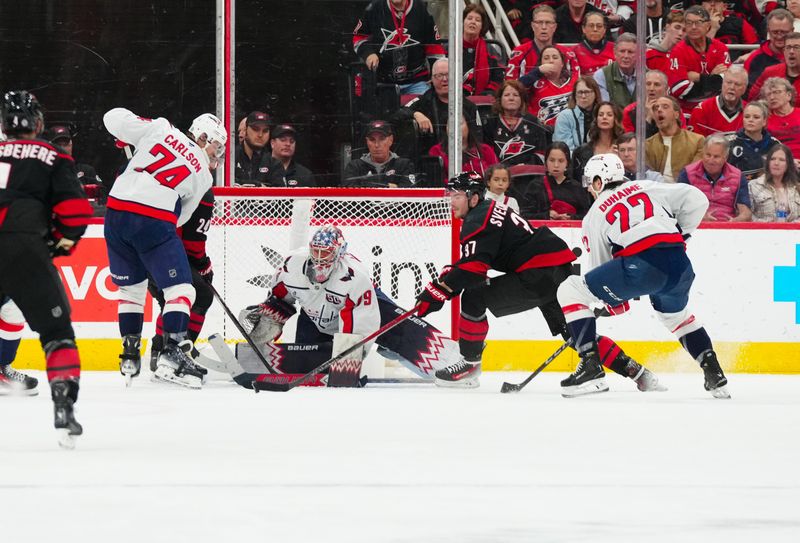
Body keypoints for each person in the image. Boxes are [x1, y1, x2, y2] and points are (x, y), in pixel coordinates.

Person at [414, 171, 664, 391]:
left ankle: (468, 366)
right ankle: (637, 372)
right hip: (554, 266)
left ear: (473, 197)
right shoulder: (487, 211)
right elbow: (474, 261)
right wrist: (446, 282)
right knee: (575, 333)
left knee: (474, 296)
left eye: (456, 195)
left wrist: (436, 293)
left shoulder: (477, 219)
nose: (451, 200)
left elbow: (474, 271)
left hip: (538, 273)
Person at [556, 153, 730, 399]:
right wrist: (683, 234)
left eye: (590, 184)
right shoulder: (647, 186)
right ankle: (715, 374)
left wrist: (612, 303)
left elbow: (600, 270)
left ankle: (591, 365)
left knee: (571, 289)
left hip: (641, 266)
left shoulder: (594, 214)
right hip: (679, 264)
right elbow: (698, 199)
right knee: (676, 317)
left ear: (598, 182)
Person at [233, 225, 463, 388]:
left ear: (340, 253)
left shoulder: (355, 277)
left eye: (327, 253)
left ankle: (456, 363)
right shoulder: (291, 265)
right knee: (307, 361)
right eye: (316, 251)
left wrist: (348, 363)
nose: (320, 258)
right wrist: (265, 322)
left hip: (363, 308)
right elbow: (279, 300)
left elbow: (358, 328)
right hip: (315, 317)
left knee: (399, 328)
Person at [103, 108, 227, 389]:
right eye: (216, 146)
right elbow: (181, 216)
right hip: (154, 219)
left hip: (115, 213)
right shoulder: (204, 176)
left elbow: (112, 117)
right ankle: (171, 354)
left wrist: (130, 133)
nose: (216, 154)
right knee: (182, 291)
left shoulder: (161, 127)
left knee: (131, 291)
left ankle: (129, 354)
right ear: (202, 136)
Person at [0, 90, 93, 445]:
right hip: (25, 247)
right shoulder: (51, 155)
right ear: (37, 123)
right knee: (57, 333)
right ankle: (63, 405)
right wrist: (58, 243)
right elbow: (76, 212)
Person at [146, 188, 215, 373]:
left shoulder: (166, 181)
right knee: (202, 295)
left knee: (170, 300)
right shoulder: (201, 190)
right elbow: (193, 243)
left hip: (137, 249)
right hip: (164, 253)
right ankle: (177, 355)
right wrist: (203, 265)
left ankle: (159, 351)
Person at [353, 0, 442, 95]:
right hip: (384, 82)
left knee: (421, 108)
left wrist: (437, 73)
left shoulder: (421, 8)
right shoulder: (374, 8)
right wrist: (368, 54)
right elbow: (358, 37)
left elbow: (434, 46)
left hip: (417, 82)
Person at [395, 58, 481, 154]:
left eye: (448, 75)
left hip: (461, 158)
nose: (444, 79)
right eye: (439, 75)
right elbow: (397, 114)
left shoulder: (469, 107)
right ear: (432, 79)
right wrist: (416, 114)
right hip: (430, 160)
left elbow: (478, 140)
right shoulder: (423, 102)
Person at [668, 5, 732, 117]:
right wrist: (711, 77)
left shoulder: (721, 48)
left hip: (715, 110)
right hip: (686, 113)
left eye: (698, 23)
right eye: (689, 23)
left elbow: (726, 82)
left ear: (708, 25)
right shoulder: (678, 51)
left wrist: (697, 77)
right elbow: (679, 89)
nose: (693, 27)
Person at [677, 134, 752, 222]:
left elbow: (746, 212)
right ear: (702, 154)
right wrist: (698, 217)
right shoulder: (687, 173)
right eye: (708, 155)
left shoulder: (738, 176)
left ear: (725, 158)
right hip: (696, 226)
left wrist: (736, 221)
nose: (711, 160)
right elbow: (678, 208)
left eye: (716, 157)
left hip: (727, 227)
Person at [482, 80, 551, 166]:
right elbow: (487, 153)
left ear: (522, 100)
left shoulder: (533, 122)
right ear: (500, 99)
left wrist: (525, 167)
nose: (511, 98)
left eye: (516, 95)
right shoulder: (491, 123)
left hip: (528, 174)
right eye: (507, 95)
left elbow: (540, 153)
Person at [522, 142, 592, 219]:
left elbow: (587, 217)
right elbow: (524, 216)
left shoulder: (577, 187)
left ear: (567, 163)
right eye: (552, 160)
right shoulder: (535, 186)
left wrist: (572, 218)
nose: (556, 165)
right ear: (546, 162)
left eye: (561, 161)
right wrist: (545, 216)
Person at [505, 5, 577, 80]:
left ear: (555, 27)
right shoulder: (519, 53)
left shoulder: (568, 54)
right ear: (533, 26)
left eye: (548, 22)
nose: (543, 27)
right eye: (539, 22)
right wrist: (537, 72)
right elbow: (510, 86)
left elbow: (576, 85)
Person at [645, 96, 705, 183]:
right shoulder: (648, 144)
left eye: (665, 107)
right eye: (656, 108)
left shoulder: (697, 141)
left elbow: (694, 175)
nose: (659, 110)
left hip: (685, 191)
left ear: (676, 114)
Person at [343, 120, 416, 187]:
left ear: (391, 140)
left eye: (382, 139)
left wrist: (366, 185)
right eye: (372, 139)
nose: (377, 145)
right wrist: (389, 187)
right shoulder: (354, 166)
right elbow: (349, 194)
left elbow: (409, 194)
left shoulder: (404, 165)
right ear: (367, 141)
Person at [519, 45, 577, 127]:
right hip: (543, 131)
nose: (551, 61)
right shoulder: (534, 82)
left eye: (555, 57)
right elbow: (515, 87)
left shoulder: (574, 81)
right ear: (541, 63)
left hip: (570, 129)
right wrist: (537, 71)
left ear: (562, 63)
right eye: (546, 58)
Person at [430, 115, 498, 180]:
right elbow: (437, 181)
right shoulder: (437, 151)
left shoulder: (485, 150)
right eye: (451, 124)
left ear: (468, 126)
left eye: (460, 123)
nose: (456, 128)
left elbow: (497, 176)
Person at [571, 101, 624, 185]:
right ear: (596, 119)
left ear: (616, 119)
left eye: (609, 115)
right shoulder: (582, 151)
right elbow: (581, 182)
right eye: (601, 115)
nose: (604, 117)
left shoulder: (623, 149)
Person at [688, 66, 748, 136]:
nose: (732, 87)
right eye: (728, 82)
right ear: (722, 84)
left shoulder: (750, 112)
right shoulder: (702, 110)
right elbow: (697, 144)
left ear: (744, 89)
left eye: (737, 84)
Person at [621, 70, 681, 138]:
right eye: (648, 84)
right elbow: (631, 142)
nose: (651, 88)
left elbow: (680, 137)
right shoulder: (629, 111)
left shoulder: (674, 108)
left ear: (666, 88)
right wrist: (648, 118)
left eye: (657, 84)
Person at [748, 144, 800, 221]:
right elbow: (747, 216)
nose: (776, 163)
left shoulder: (796, 188)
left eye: (781, 160)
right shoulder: (753, 186)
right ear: (768, 162)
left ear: (788, 165)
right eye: (772, 159)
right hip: (763, 231)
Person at [728, 101, 779, 180]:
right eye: (747, 117)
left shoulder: (774, 144)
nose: (750, 120)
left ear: (764, 121)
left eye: (756, 117)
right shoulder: (731, 144)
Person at [744, 9, 795, 87]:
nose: (779, 36)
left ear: (792, 31)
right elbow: (747, 93)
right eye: (775, 32)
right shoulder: (754, 59)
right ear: (768, 31)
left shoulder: (798, 57)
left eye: (784, 32)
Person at [461, 3, 503, 97]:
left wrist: (486, 94)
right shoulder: (449, 48)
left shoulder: (490, 51)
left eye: (478, 20)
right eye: (469, 18)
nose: (473, 22)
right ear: (463, 21)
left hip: (482, 101)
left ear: (482, 26)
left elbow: (498, 78)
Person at [748, 31, 800, 104]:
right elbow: (753, 100)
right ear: (784, 51)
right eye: (788, 47)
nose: (791, 51)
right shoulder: (770, 72)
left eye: (796, 47)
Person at [553, 75, 600, 153]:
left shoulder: (603, 115)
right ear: (574, 95)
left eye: (587, 92)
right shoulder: (565, 117)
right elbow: (565, 151)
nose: (583, 96)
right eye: (580, 92)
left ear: (595, 94)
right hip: (574, 162)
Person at [593, 33, 638, 109]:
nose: (626, 56)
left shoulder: (648, 76)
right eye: (622, 51)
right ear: (615, 53)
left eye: (630, 52)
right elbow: (605, 108)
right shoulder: (602, 75)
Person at [762, 77, 800, 158]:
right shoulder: (764, 119)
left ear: (789, 95)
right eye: (769, 94)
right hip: (778, 162)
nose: (772, 97)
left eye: (777, 92)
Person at [571, 12, 616, 77]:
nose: (595, 29)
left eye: (599, 26)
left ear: (604, 29)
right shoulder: (574, 52)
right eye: (591, 26)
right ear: (583, 29)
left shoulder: (616, 49)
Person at [235, 111, 273, 185]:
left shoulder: (274, 163)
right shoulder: (229, 159)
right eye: (255, 129)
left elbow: (281, 194)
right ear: (245, 130)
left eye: (265, 131)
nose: (260, 135)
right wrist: (258, 185)